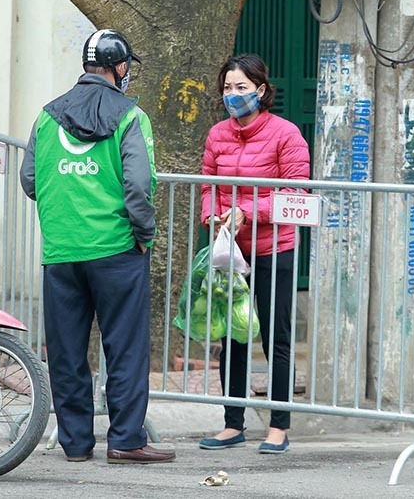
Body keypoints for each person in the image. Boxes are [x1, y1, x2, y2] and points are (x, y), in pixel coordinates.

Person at [20, 28, 175, 464]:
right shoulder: (131, 117)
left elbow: (30, 180)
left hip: (61, 253)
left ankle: (75, 444)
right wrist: (144, 235)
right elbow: (138, 187)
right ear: (120, 67)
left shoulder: (47, 117)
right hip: (117, 250)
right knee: (123, 348)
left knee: (67, 352)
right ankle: (126, 440)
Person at [197, 54, 310, 454]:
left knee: (276, 339)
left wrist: (249, 211)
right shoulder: (217, 135)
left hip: (273, 249)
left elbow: (296, 192)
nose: (233, 95)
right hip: (230, 253)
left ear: (261, 90)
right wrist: (212, 215)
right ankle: (233, 423)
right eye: (227, 87)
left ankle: (279, 425)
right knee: (232, 337)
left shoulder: (286, 134)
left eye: (241, 87)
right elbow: (207, 184)